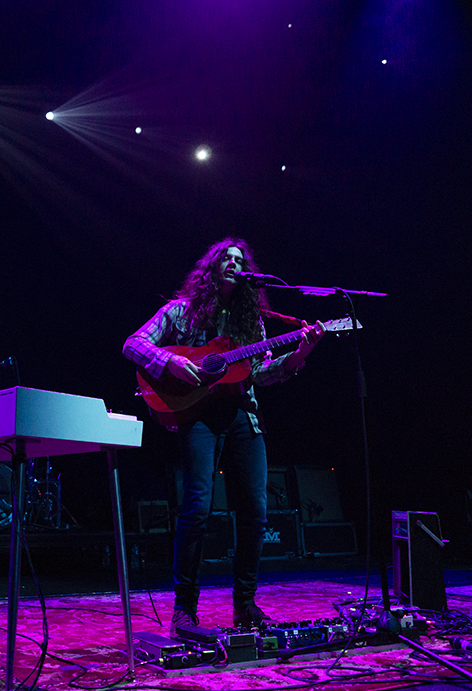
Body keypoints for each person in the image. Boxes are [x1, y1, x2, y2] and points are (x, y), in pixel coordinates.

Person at [123, 238, 323, 636]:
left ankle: (246, 605)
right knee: (196, 508)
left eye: (240, 260)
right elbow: (133, 344)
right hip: (198, 416)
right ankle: (185, 610)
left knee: (255, 510)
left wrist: (300, 354)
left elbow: (261, 373)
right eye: (226, 259)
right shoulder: (180, 311)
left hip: (244, 416)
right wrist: (172, 361)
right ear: (211, 267)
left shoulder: (252, 322)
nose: (233, 264)